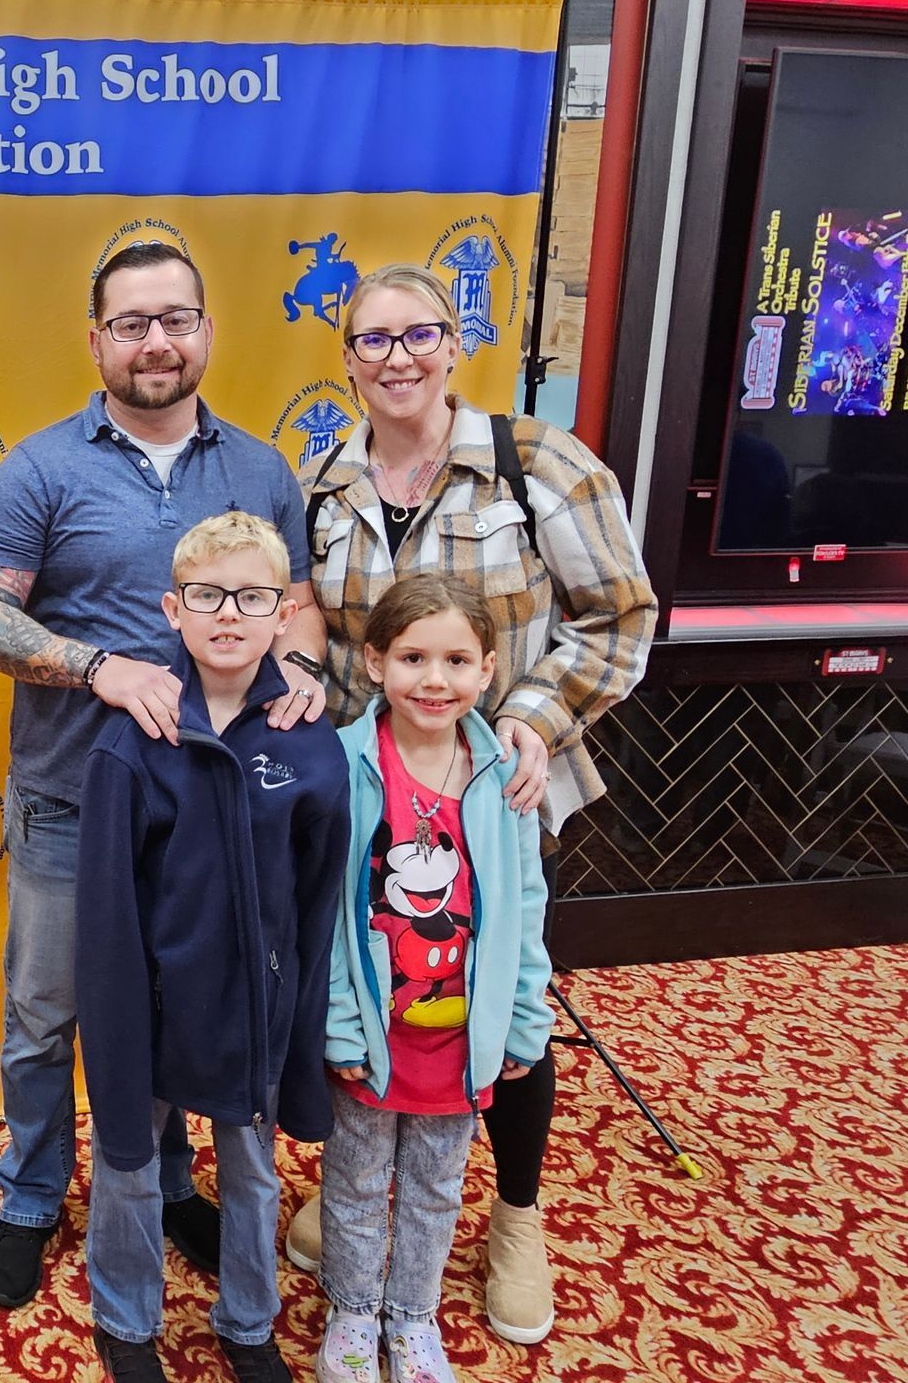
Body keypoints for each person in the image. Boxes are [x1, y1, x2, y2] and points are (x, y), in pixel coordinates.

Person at [0, 242, 330, 1308]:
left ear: (206, 330)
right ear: (97, 340)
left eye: (175, 318)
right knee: (44, 1014)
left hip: (216, 807)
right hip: (76, 799)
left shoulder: (259, 469)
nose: (155, 341)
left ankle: (167, 1184)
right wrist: (97, 667)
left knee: (182, 1006)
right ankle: (29, 1193)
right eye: (132, 323)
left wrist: (298, 665)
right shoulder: (39, 467)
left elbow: (292, 601)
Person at [291, 264, 657, 1344]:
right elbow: (317, 619)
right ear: (348, 358)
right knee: (371, 974)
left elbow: (621, 617)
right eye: (373, 340)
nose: (397, 357)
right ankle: (356, 1178)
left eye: (420, 334)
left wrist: (533, 719)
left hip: (505, 791)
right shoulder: (327, 479)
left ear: (455, 345)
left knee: (505, 1001)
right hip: (373, 797)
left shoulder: (537, 464)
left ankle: (517, 1214)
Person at [75, 513, 349, 1383]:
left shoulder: (309, 744)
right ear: (172, 610)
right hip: (151, 1010)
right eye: (207, 596)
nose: (229, 615)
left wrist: (301, 1020)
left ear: (285, 614)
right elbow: (107, 912)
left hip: (256, 1013)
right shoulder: (131, 744)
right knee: (126, 1162)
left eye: (253, 597)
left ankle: (248, 1322)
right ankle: (125, 1319)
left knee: (253, 1173)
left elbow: (319, 900)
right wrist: (115, 1023)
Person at [316, 575, 553, 1383]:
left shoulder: (505, 776)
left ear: (488, 670)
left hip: (460, 1039)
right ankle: (352, 1309)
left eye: (457, 660)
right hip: (374, 1033)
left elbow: (526, 906)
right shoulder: (344, 767)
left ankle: (412, 1317)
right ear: (375, 661)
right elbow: (324, 915)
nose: (434, 679)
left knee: (436, 1186)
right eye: (413, 657)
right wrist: (340, 1024)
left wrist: (522, 1020)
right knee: (352, 1180)